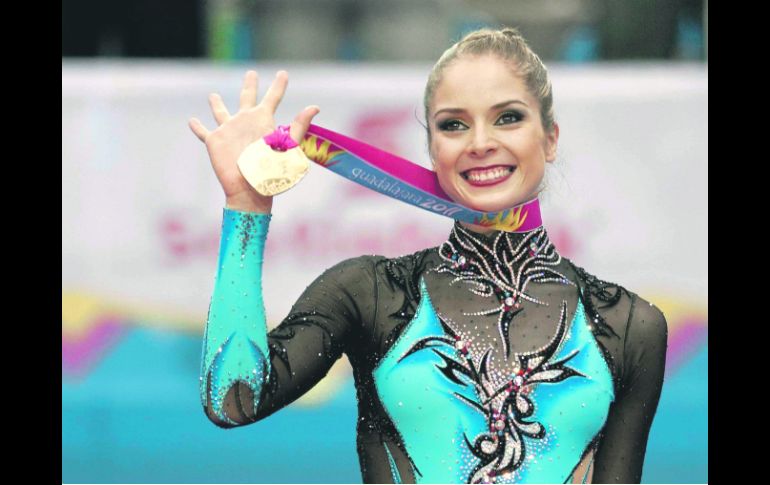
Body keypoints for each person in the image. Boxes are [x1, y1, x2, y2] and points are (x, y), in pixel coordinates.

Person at [188, 27, 668, 484]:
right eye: (454, 125)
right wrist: (246, 208)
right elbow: (233, 399)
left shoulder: (629, 326)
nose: (481, 143)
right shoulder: (369, 293)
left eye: (508, 117)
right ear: (433, 147)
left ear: (550, 138)